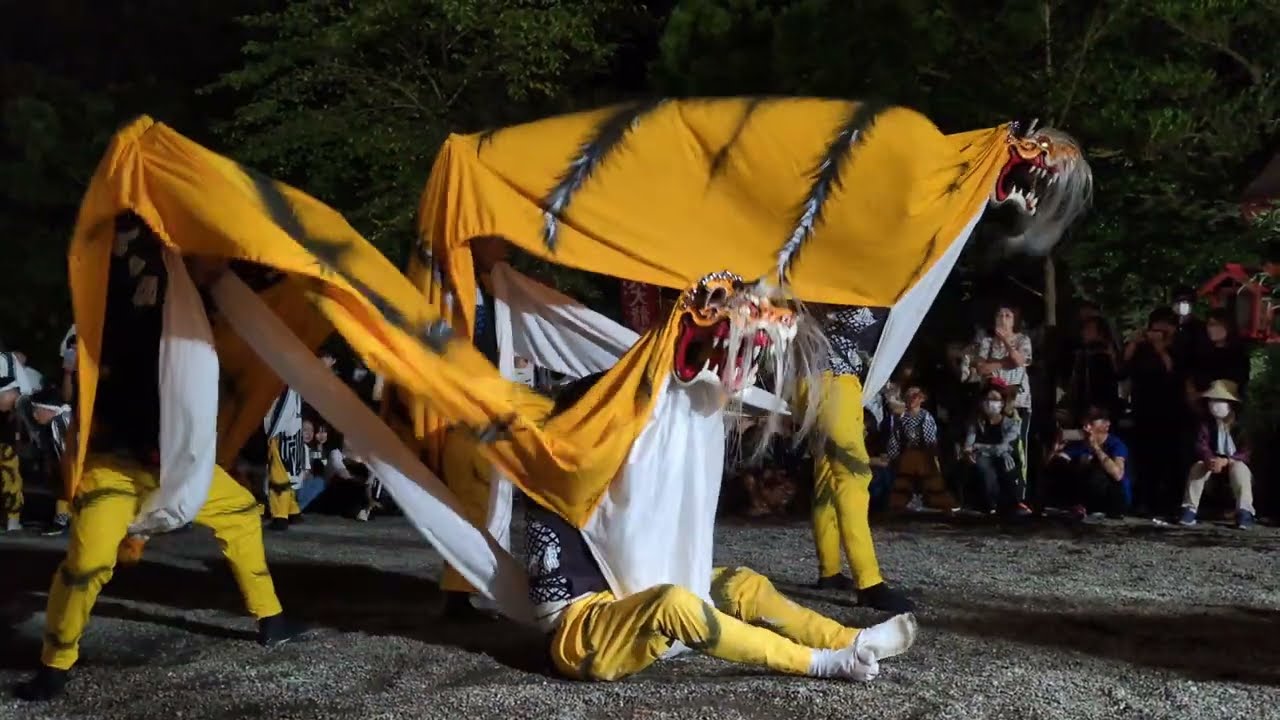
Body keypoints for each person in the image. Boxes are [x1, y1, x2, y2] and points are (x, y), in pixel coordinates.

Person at [16, 215, 305, 702]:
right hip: (116, 464)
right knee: (88, 561)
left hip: (175, 464)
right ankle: (55, 664)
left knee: (239, 513)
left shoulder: (191, 316)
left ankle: (271, 618)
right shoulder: (116, 313)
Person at [525, 499, 917, 684]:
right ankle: (818, 662)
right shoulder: (550, 485)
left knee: (740, 583)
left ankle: (851, 639)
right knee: (671, 602)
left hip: (628, 597)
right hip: (581, 637)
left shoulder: (620, 479)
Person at [810, 305, 913, 612]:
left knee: (827, 478)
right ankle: (868, 582)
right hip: (833, 384)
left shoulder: (804, 277)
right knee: (853, 477)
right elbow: (855, 320)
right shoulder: (836, 289)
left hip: (814, 382)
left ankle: (829, 570)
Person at [1122, 309, 1183, 516]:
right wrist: (1134, 343)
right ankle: (1142, 500)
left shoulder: (1178, 347)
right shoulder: (1143, 349)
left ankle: (1166, 502)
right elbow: (1124, 368)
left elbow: (1174, 372)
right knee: (1143, 457)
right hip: (1143, 407)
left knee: (1166, 458)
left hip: (1169, 409)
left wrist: (1161, 349)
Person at [967, 304, 1033, 481]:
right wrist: (1005, 362)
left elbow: (1020, 361)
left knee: (1016, 444)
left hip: (1017, 400)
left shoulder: (1022, 340)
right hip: (993, 401)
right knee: (993, 443)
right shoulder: (987, 342)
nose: (1003, 319)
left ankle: (1019, 489)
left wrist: (1005, 342)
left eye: (1008, 316)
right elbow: (981, 367)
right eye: (1000, 315)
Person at [1178, 380, 1255, 530]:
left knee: (1240, 469)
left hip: (1235, 467)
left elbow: (1247, 453)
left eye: (1220, 400)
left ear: (1230, 404)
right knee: (1197, 467)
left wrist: (1227, 461)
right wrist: (1210, 459)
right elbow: (1201, 445)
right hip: (1212, 470)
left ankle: (1245, 512)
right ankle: (1189, 510)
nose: (1214, 404)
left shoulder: (1243, 426)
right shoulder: (1206, 423)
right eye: (1212, 400)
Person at [1045, 406, 1130, 519]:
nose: (1086, 427)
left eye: (1091, 423)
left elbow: (1118, 474)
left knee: (1096, 471)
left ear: (1106, 425)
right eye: (1085, 423)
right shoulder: (1081, 444)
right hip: (1089, 498)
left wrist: (1096, 448)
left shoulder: (1116, 444)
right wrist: (1055, 449)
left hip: (1114, 499)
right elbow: (1051, 467)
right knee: (1065, 466)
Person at [962, 380, 1029, 515]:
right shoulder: (976, 423)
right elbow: (968, 446)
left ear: (1002, 403)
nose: (990, 403)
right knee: (982, 465)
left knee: (1005, 464)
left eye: (994, 399)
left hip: (1004, 458)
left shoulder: (1011, 423)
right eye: (987, 399)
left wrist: (978, 446)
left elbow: (1002, 447)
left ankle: (1009, 502)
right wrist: (971, 451)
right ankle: (990, 503)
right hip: (985, 458)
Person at [884, 386, 952, 511]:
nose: (912, 399)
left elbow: (930, 438)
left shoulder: (925, 416)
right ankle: (899, 503)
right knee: (903, 479)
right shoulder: (901, 418)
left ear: (922, 399)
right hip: (906, 455)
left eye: (916, 396)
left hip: (924, 454)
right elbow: (895, 437)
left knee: (932, 480)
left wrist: (933, 455)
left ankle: (939, 502)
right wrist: (892, 455)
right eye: (909, 396)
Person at [1187, 310, 1250, 405]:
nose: (1212, 329)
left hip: (1224, 407)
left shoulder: (1237, 355)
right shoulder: (1201, 350)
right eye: (1210, 324)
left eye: (1216, 324)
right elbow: (1190, 371)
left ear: (1228, 327)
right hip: (1197, 406)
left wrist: (1199, 395)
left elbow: (1231, 384)